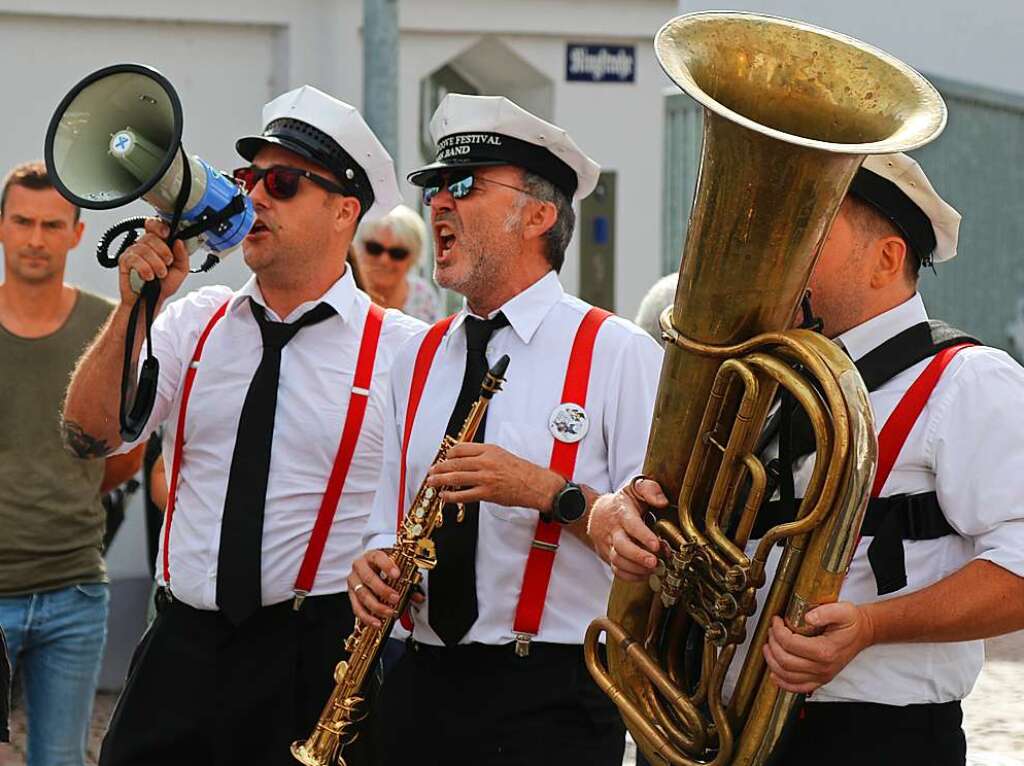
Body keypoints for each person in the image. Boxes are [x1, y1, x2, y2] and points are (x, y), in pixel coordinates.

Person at [588, 153, 1024, 765]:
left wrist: (873, 627)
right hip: (722, 726)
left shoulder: (970, 381)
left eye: (811, 231)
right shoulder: (768, 375)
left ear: (887, 259)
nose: (780, 251)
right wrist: (626, 515)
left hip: (877, 739)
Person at [61, 86, 425, 766]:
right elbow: (89, 435)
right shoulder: (193, 322)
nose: (254, 197)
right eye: (248, 177)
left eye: (282, 182)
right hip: (179, 649)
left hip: (309, 657)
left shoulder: (403, 349)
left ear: (345, 210)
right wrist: (134, 307)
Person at [350, 94, 663, 766]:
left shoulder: (619, 352)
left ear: (539, 216)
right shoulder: (418, 356)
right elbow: (384, 518)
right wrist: (373, 563)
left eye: (463, 186)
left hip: (554, 698)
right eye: (435, 186)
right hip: (421, 686)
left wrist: (548, 491)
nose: (439, 203)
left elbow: (659, 550)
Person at [0, 162, 143, 766]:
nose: (36, 238)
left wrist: (69, 486)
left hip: (74, 585)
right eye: (22, 222)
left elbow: (125, 450)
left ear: (78, 234)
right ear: (2, 227)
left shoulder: (106, 324)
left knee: (60, 757)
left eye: (52, 225)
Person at [355, 203, 443, 322]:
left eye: (397, 253)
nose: (384, 260)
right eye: (374, 248)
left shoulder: (423, 298)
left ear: (413, 258)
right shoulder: (346, 290)